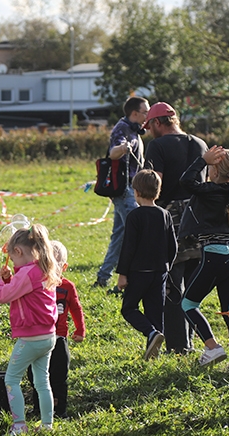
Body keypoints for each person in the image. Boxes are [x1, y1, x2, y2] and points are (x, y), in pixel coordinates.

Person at [142, 101, 208, 354]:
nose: (149, 131)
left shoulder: (157, 145)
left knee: (170, 283)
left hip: (171, 219)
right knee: (194, 284)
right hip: (200, 218)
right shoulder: (200, 143)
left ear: (158, 123)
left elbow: (153, 184)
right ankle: (193, 339)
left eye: (150, 126)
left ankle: (179, 345)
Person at [178, 146, 229, 369]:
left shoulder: (208, 190)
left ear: (214, 171)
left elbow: (185, 182)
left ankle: (212, 346)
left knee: (188, 304)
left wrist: (201, 160)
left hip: (213, 256)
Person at [0, 224, 61, 436]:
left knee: (11, 379)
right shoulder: (42, 268)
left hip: (30, 338)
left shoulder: (27, 274)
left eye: (12, 257)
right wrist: (8, 279)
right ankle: (47, 425)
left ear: (18, 252)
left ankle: (19, 426)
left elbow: (3, 296)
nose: (11, 261)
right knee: (42, 381)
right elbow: (23, 294)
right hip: (48, 336)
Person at [116, 170, 178, 360]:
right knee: (155, 312)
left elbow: (128, 247)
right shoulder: (165, 214)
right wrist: (167, 266)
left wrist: (122, 274)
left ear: (136, 192)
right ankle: (154, 353)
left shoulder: (135, 216)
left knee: (129, 309)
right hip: (160, 271)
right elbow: (173, 246)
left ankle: (151, 334)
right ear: (157, 191)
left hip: (138, 272)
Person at [94, 96, 150, 290]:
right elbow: (113, 153)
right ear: (135, 113)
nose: (147, 115)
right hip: (125, 190)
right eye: (145, 112)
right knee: (137, 234)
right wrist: (124, 147)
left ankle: (103, 277)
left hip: (131, 188)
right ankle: (131, 280)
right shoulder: (122, 129)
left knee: (120, 235)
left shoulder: (135, 130)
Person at [26, 240, 86, 419]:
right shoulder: (37, 283)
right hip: (38, 337)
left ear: (64, 266)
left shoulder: (67, 287)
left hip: (59, 338)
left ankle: (60, 410)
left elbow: (76, 308)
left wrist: (80, 329)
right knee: (35, 373)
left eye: (55, 264)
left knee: (59, 375)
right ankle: (38, 408)